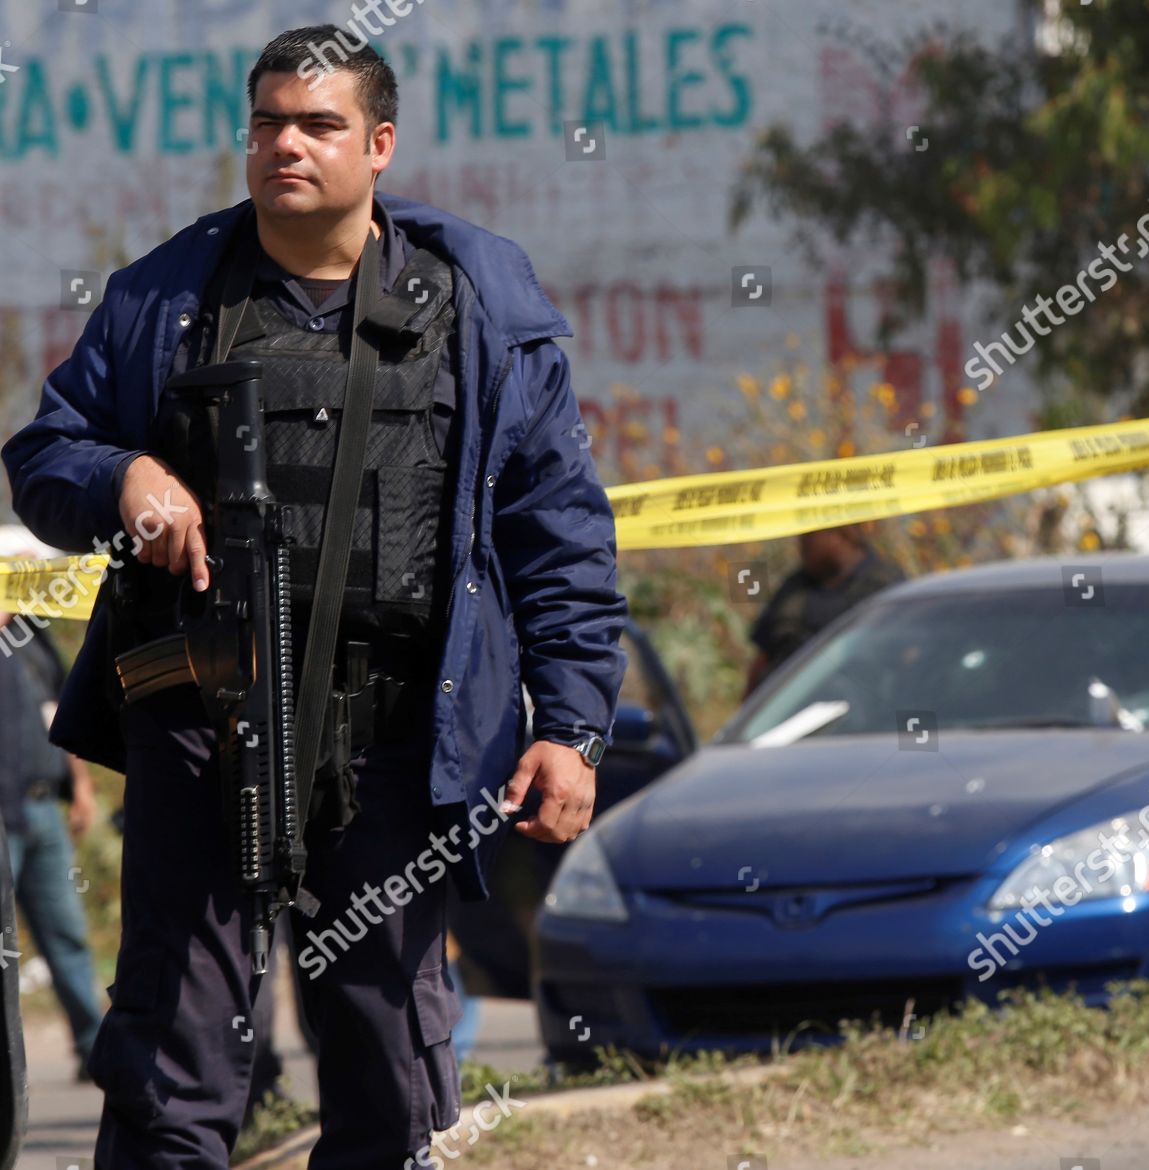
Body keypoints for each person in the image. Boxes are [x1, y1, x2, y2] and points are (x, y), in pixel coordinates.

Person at [1, 25, 626, 1169]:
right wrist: (121, 476)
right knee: (172, 1059)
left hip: (397, 737)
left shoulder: (477, 306)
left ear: (379, 144)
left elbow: (558, 530)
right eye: (267, 124)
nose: (286, 144)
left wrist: (574, 726)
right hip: (205, 724)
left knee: (390, 1057)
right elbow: (45, 453)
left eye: (319, 124)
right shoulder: (165, 295)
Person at [0, 599, 104, 1084]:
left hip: (43, 807)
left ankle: (95, 1050)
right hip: (4, 811)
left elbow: (56, 708)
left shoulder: (32, 638)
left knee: (66, 933)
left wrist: (79, 785)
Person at [745, 524, 905, 696]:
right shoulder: (794, 587)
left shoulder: (884, 585)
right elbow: (763, 655)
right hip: (787, 707)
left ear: (841, 535)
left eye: (809, 536)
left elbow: (905, 655)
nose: (801, 544)